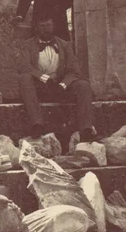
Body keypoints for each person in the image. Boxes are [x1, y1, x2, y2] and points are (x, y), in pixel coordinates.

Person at [17, 15, 97, 144]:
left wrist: (63, 85)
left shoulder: (65, 45)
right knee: (24, 78)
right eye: (42, 26)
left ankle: (86, 129)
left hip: (60, 89)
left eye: (48, 25)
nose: (46, 29)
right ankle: (37, 124)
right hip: (39, 88)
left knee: (84, 85)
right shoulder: (27, 45)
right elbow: (24, 67)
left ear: (53, 26)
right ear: (36, 28)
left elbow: (74, 70)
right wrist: (44, 78)